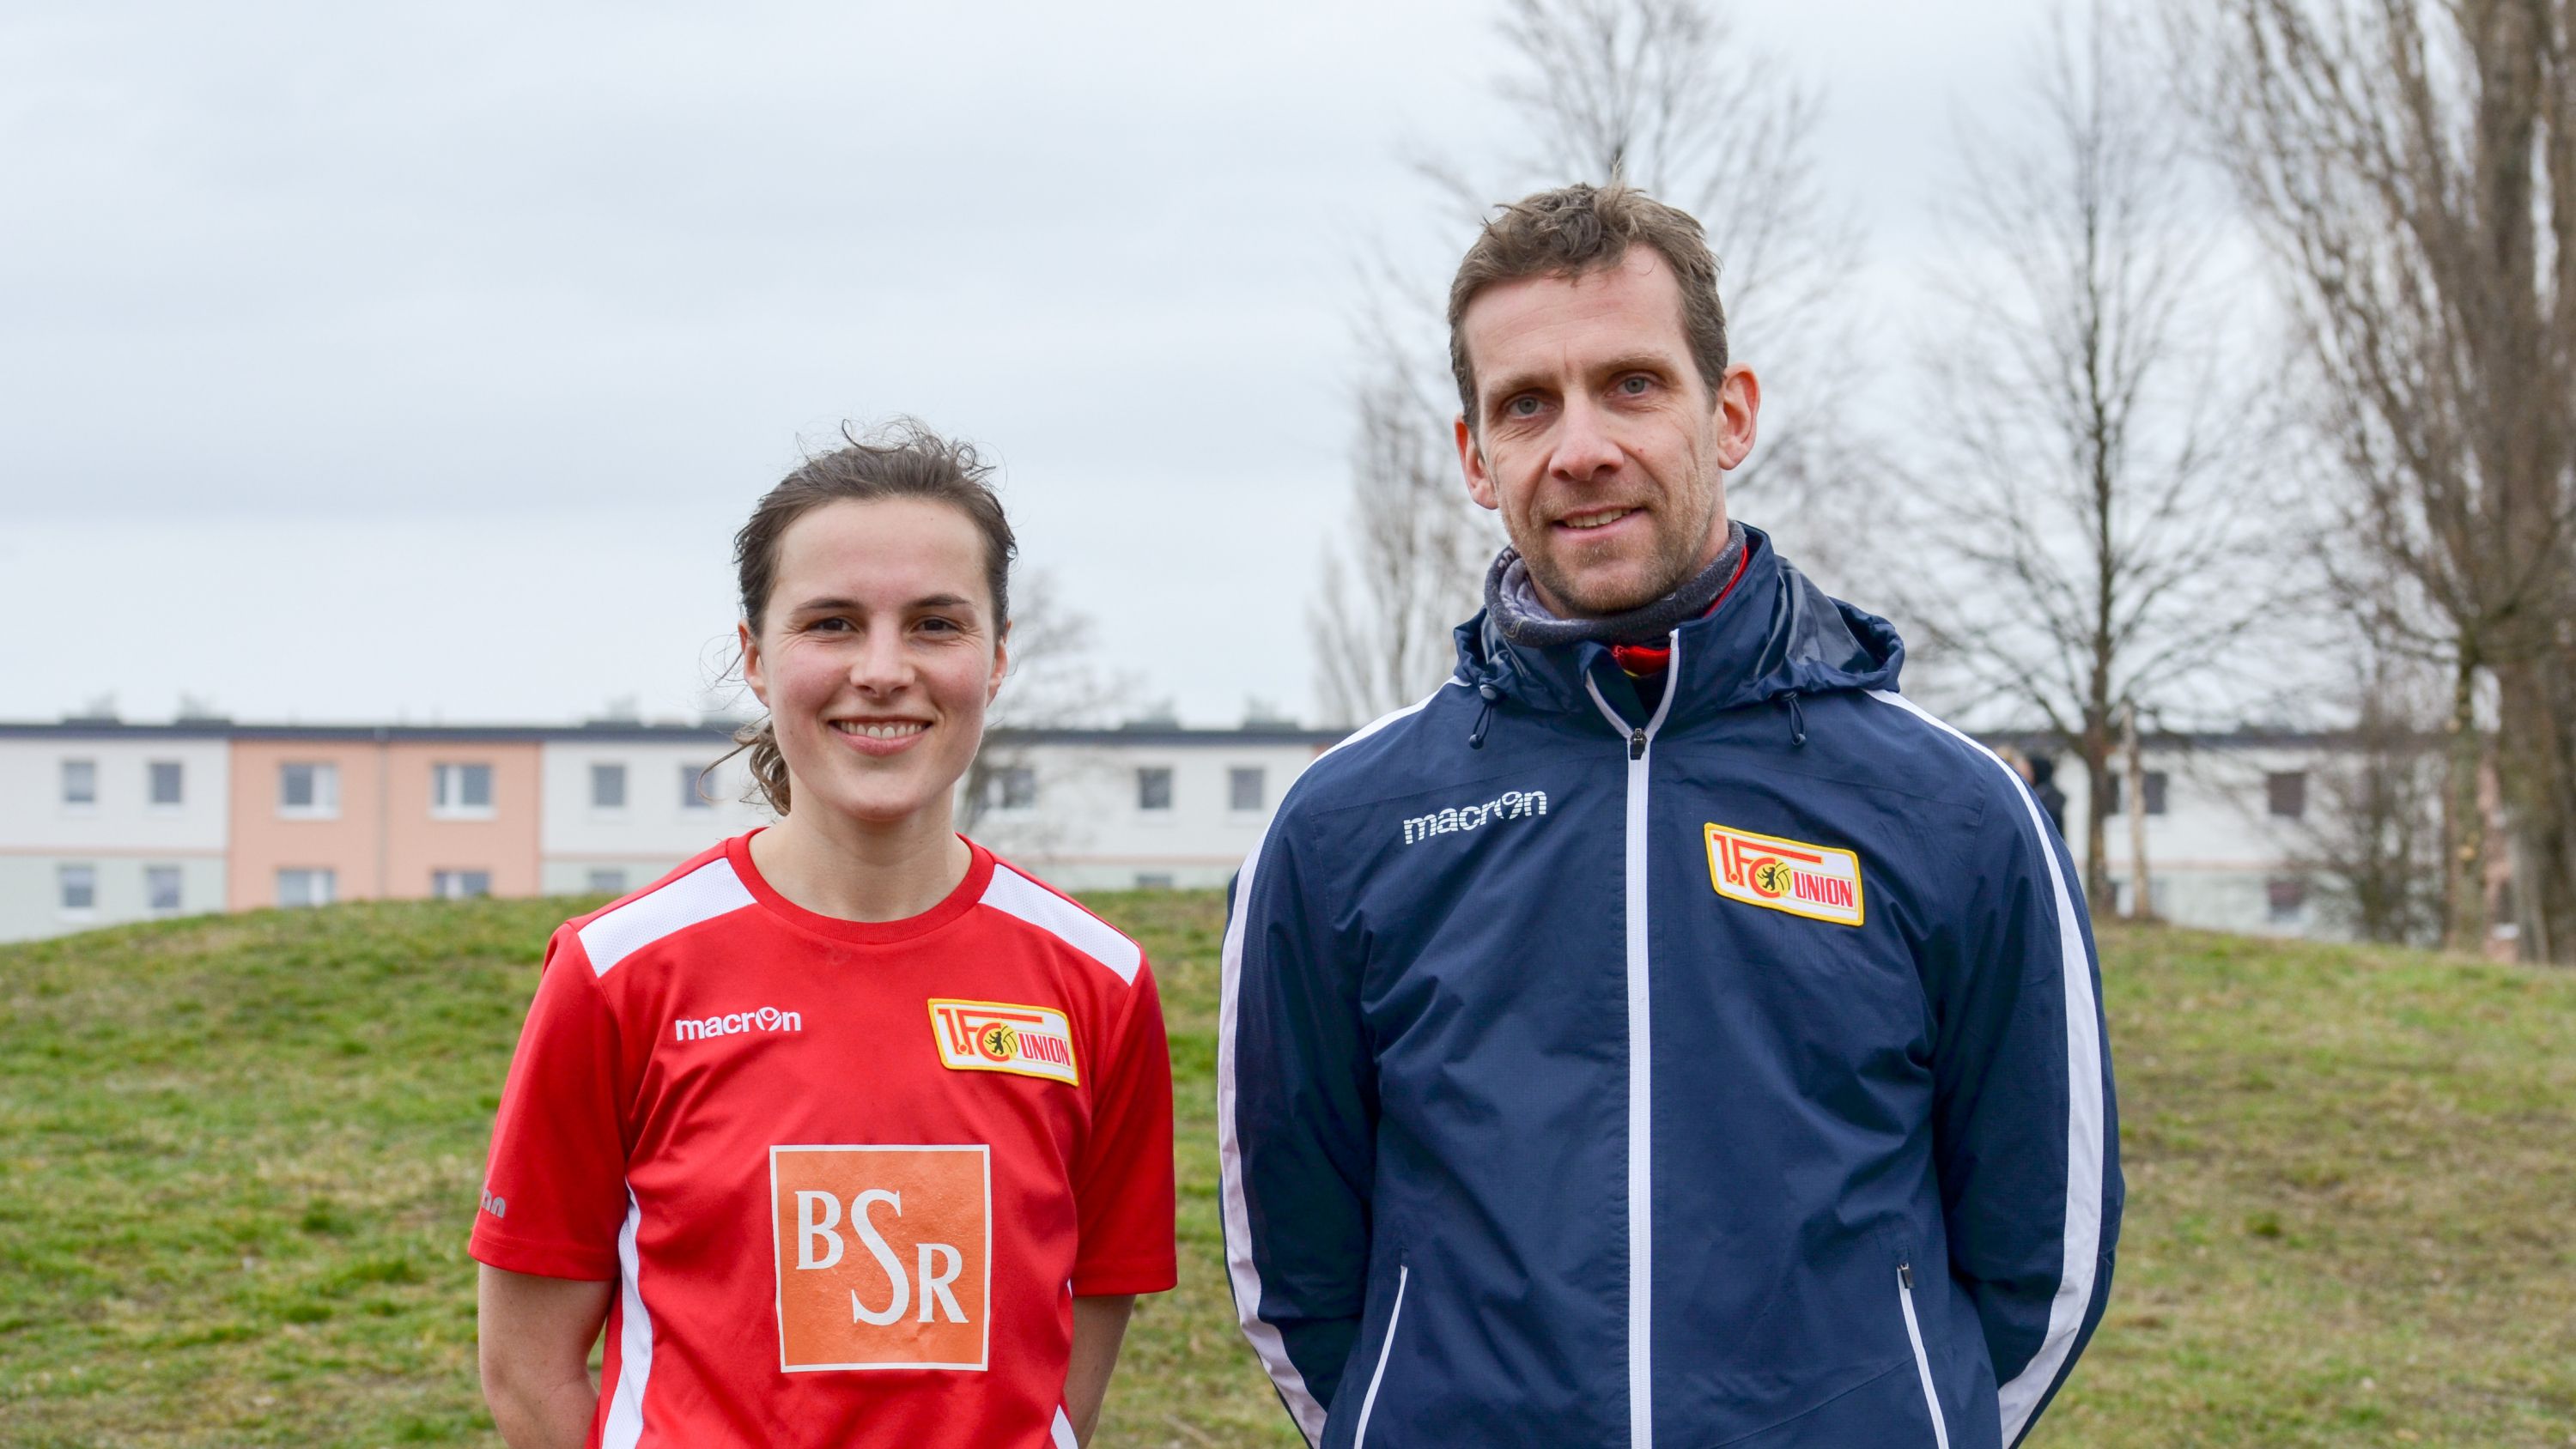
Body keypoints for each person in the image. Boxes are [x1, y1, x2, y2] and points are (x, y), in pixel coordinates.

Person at [1221, 185, 2121, 1448]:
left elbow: (2042, 1253)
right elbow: (1297, 1268)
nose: (1580, 447)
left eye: (1632, 384)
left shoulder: (1958, 812)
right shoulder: (1343, 826)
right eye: (1527, 404)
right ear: (1476, 456)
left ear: (1730, 412)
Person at [471, 424, 1176, 1449]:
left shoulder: (1098, 981)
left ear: (997, 655)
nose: (883, 670)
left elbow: (1082, 1336)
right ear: (757, 657)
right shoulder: (616, 971)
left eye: (936, 623)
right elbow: (526, 1372)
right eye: (833, 623)